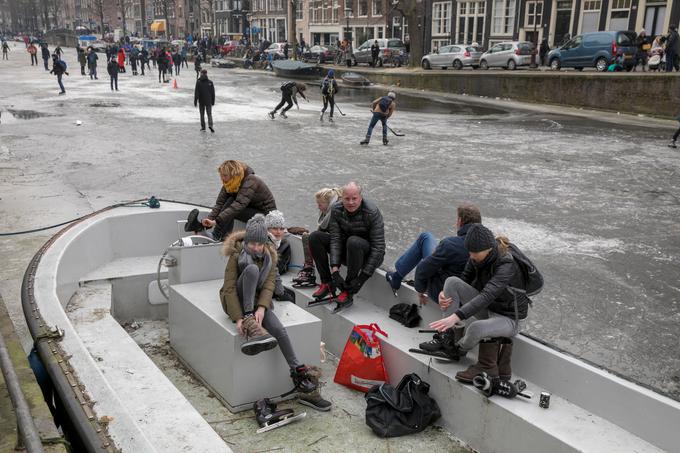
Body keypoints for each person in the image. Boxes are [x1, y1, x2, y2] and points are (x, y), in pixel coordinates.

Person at [219, 214, 317, 395]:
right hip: (237, 299)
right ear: (246, 242)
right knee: (252, 269)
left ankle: (296, 371)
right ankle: (250, 320)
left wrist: (263, 308)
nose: (256, 248)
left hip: (257, 300)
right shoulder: (236, 254)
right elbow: (229, 288)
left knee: (279, 330)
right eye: (252, 244)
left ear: (264, 243)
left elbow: (270, 284)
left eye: (259, 244)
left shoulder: (269, 256)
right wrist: (239, 317)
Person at [428, 224, 529, 384]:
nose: (471, 255)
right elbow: (463, 281)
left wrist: (456, 317)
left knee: (475, 327)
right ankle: (446, 338)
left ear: (488, 248)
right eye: (469, 252)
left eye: (474, 252)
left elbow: (487, 295)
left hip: (510, 319)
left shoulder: (506, 264)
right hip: (490, 308)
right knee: (452, 282)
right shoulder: (476, 257)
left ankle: (457, 350)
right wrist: (443, 295)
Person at [309, 181, 385, 313]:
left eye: (354, 198)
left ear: (360, 198)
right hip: (348, 251)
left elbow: (379, 248)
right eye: (347, 199)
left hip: (367, 255)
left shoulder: (371, 212)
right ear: (341, 197)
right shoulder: (337, 209)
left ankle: (348, 289)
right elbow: (336, 239)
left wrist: (361, 279)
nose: (350, 202)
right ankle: (328, 283)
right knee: (315, 237)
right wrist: (335, 270)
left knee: (353, 241)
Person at [385, 204, 481, 306]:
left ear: (460, 221)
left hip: (443, 294)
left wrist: (420, 290)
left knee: (426, 237)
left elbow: (421, 270)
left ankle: (396, 277)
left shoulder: (451, 244)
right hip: (472, 298)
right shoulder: (488, 246)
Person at [186, 160, 277, 241]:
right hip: (250, 209)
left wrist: (216, 221)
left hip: (266, 215)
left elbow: (239, 205)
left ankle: (218, 236)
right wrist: (209, 220)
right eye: (221, 175)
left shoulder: (251, 181)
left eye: (225, 175)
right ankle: (202, 228)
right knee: (229, 200)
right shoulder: (230, 183)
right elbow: (219, 204)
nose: (222, 178)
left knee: (232, 204)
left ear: (233, 174)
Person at [292, 187, 343, 288]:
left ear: (328, 203)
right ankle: (309, 268)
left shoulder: (337, 212)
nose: (318, 207)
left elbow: (337, 236)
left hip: (340, 244)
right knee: (307, 237)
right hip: (331, 239)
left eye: (320, 204)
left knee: (314, 237)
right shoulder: (325, 213)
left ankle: (327, 280)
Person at [265, 210, 296, 303]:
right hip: (262, 284)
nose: (278, 232)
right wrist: (280, 293)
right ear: (268, 229)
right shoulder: (265, 245)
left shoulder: (277, 242)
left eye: (281, 228)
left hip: (267, 280)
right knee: (291, 295)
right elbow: (272, 271)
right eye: (275, 228)